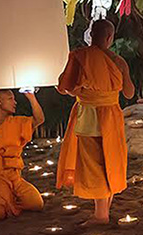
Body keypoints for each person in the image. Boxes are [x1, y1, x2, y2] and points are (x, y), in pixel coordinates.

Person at [56, 19, 134, 224]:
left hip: (90, 117)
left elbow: (66, 87)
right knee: (110, 159)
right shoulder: (119, 61)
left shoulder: (81, 57)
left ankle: (101, 215)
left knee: (94, 163)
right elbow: (129, 92)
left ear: (91, 35)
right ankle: (104, 209)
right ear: (110, 38)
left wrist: (83, 93)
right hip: (112, 117)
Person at [0, 90, 45, 220]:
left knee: (36, 203)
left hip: (13, 176)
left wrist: (31, 96)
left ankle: (8, 196)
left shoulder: (16, 123)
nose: (15, 102)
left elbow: (39, 119)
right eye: (10, 99)